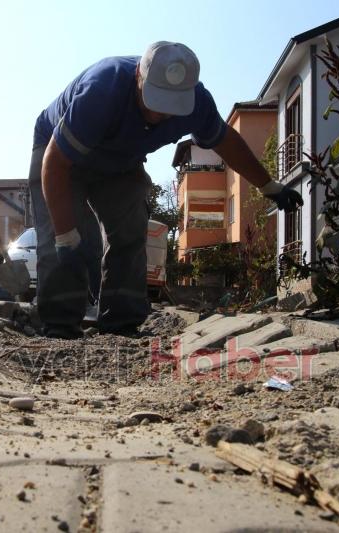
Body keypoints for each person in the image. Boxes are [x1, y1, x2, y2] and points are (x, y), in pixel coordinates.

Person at [30, 41, 303, 339]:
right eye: (154, 101)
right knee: (67, 237)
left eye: (170, 107)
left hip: (121, 160)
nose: (160, 115)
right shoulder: (102, 89)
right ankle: (59, 324)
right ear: (138, 76)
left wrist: (268, 185)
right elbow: (55, 163)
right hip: (60, 157)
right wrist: (65, 236)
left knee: (131, 230)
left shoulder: (198, 102)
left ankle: (121, 323)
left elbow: (226, 143)